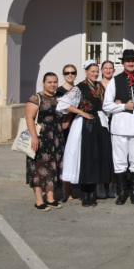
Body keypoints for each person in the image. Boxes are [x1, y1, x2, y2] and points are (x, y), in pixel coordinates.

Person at [58, 60, 114, 207]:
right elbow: (63, 103)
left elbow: (105, 104)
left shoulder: (100, 87)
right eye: (92, 71)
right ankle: (85, 195)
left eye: (97, 71)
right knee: (85, 158)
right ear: (86, 72)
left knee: (96, 158)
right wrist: (80, 112)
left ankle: (92, 193)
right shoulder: (80, 88)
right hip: (84, 124)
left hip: (98, 123)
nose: (95, 74)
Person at [103, 49, 134, 206]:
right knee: (120, 160)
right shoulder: (115, 81)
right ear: (123, 62)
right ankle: (123, 192)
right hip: (119, 128)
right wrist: (124, 106)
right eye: (127, 60)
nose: (130, 63)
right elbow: (106, 106)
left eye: (133, 60)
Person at [26, 72, 65, 211]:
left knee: (52, 168)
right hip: (41, 138)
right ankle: (38, 200)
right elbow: (29, 118)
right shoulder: (36, 98)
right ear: (43, 83)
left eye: (55, 82)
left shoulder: (59, 98)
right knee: (39, 168)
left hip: (56, 138)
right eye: (49, 82)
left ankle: (50, 198)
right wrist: (34, 137)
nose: (52, 84)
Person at [56, 64, 77, 203]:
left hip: (75, 125)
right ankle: (66, 189)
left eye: (72, 72)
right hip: (62, 126)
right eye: (67, 73)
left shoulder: (78, 89)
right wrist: (66, 119)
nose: (70, 75)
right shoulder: (59, 90)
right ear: (63, 74)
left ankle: (75, 187)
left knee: (74, 156)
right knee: (64, 157)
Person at [96, 60, 116, 199]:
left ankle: (113, 184)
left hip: (115, 120)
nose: (108, 70)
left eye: (110, 68)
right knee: (100, 154)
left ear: (114, 70)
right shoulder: (96, 85)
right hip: (100, 122)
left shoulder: (117, 83)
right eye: (105, 68)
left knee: (115, 154)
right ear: (101, 70)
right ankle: (100, 184)